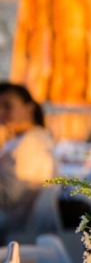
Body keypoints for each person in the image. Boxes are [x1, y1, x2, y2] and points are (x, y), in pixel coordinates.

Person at [0, 82, 55, 231]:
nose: (1, 112)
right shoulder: (26, 139)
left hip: (15, 229)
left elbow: (10, 197)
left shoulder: (30, 144)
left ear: (29, 109)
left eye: (8, 106)